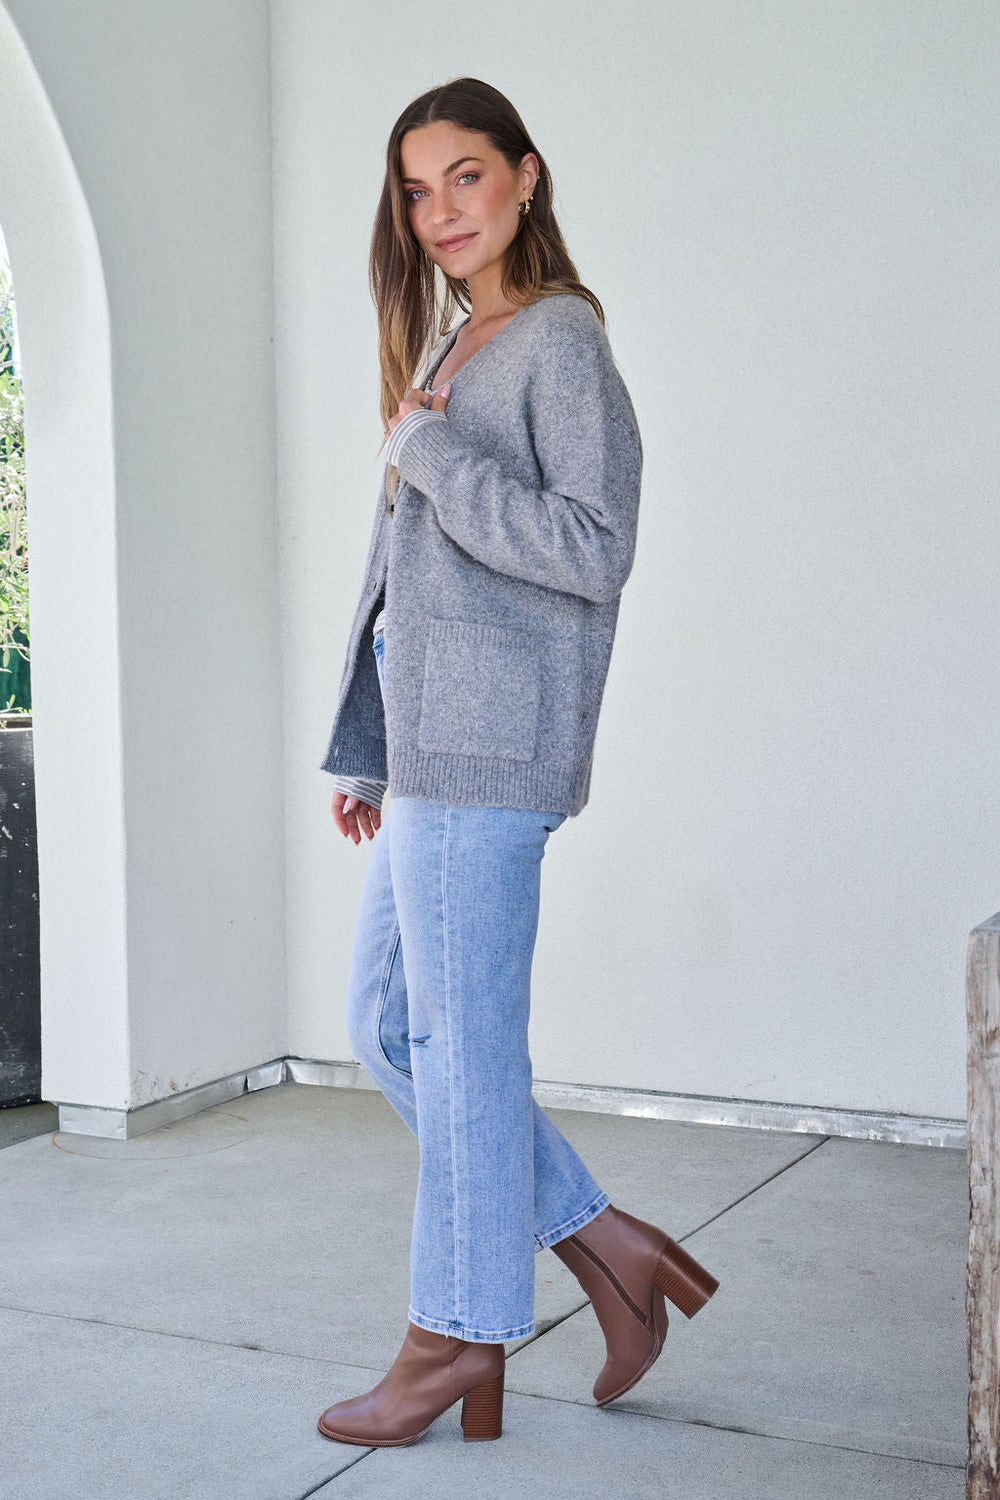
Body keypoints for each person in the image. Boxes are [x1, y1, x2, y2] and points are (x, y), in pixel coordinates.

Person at [315, 76, 719, 1450]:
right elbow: (409, 578)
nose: (441, 211)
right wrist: (373, 747)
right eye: (416, 191)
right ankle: (608, 1245)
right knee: (389, 1028)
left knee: (463, 1048)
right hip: (430, 750)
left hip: (494, 751)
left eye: (466, 177)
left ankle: (454, 1333)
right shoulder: (456, 342)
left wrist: (430, 453)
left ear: (527, 176)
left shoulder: (558, 342)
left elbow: (593, 547)